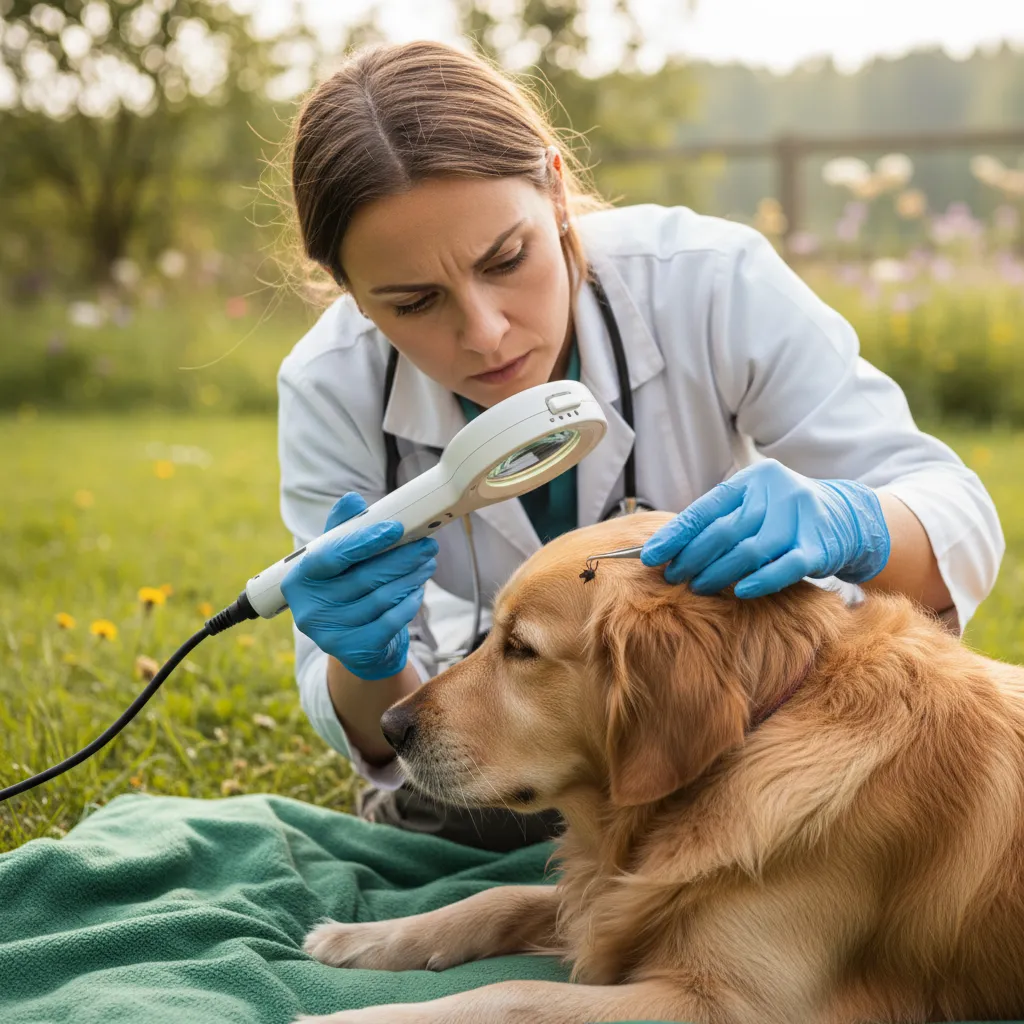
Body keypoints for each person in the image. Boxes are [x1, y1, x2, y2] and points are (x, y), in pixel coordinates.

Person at [276, 40, 1004, 852]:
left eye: (506, 259)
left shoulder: (708, 280)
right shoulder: (330, 387)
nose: (483, 333)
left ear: (555, 189)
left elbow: (954, 514)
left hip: (713, 713)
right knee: (450, 820)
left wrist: (852, 519)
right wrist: (367, 658)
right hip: (510, 745)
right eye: (414, 301)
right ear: (351, 296)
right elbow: (383, 734)